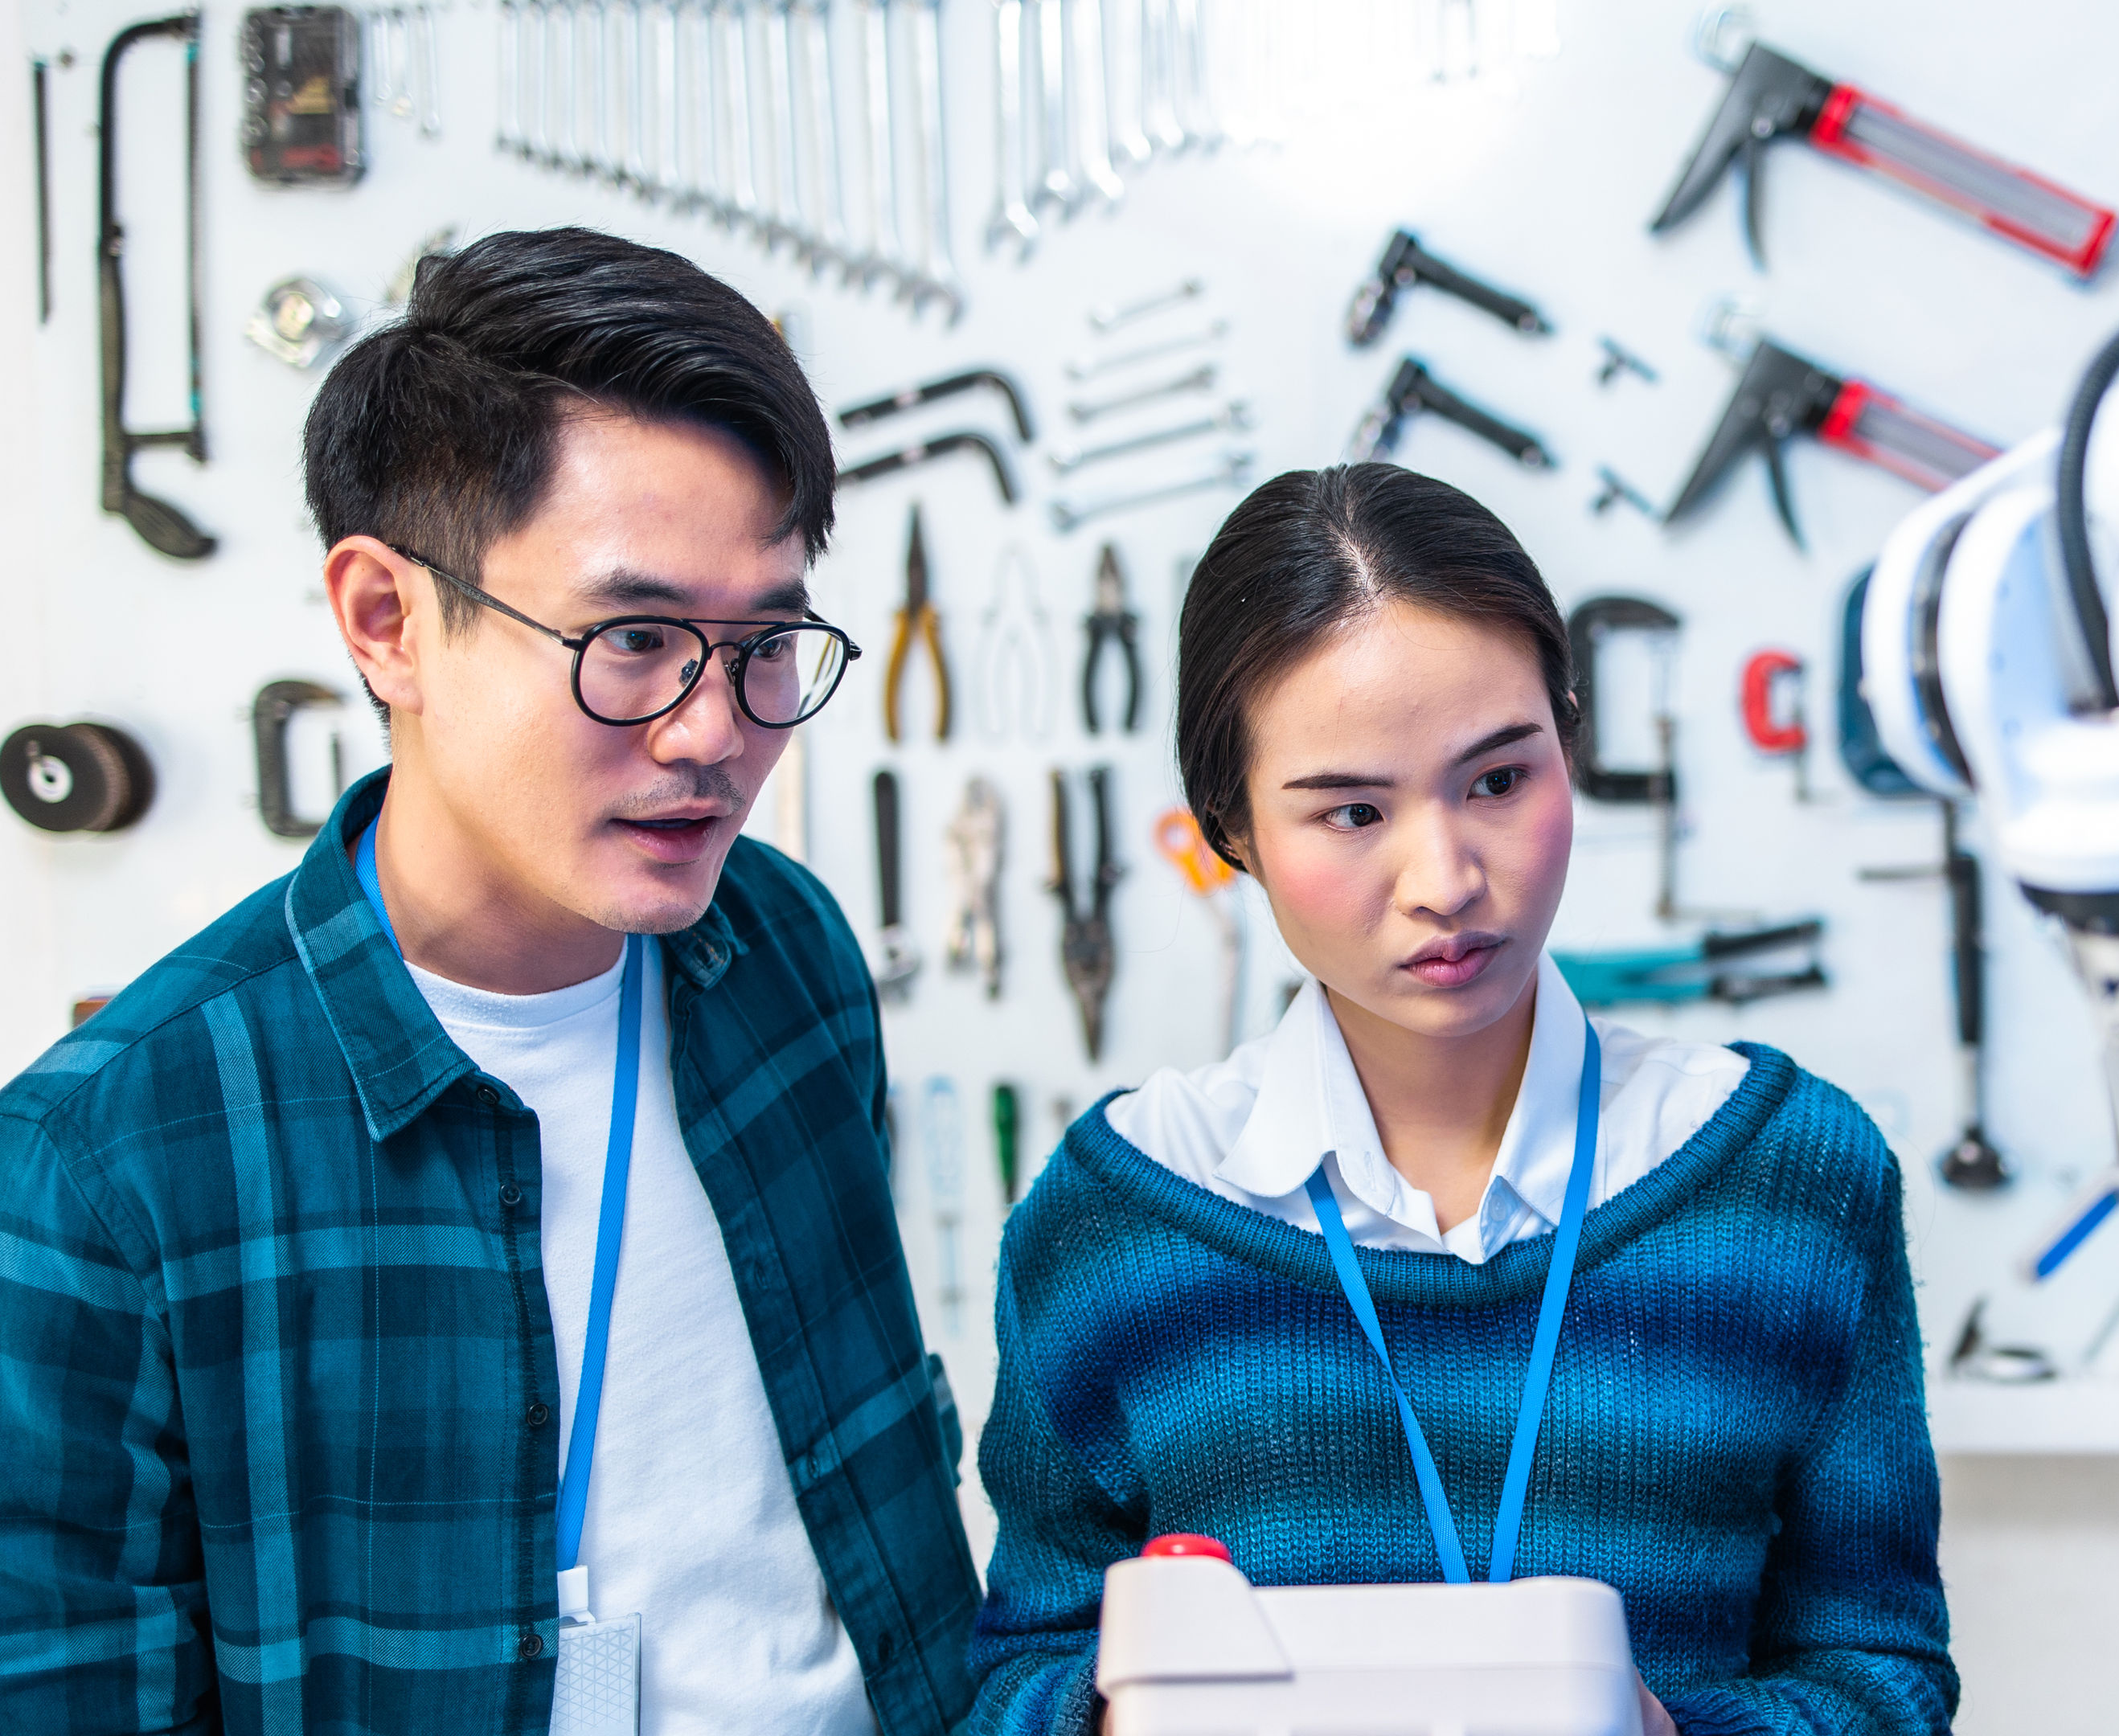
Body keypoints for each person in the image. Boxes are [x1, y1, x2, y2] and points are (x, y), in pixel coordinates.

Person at [0, 229, 978, 1732]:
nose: (714, 733)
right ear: (386, 620)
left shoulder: (787, 952)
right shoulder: (104, 1170)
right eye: (637, 639)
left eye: (769, 641)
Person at [966, 464, 1956, 1735]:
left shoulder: (1788, 1180)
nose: (1445, 878)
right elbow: (1014, 1679)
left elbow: (1885, 1676)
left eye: (1497, 781)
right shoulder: (1118, 1219)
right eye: (1354, 811)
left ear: (1570, 746)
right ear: (1232, 834)